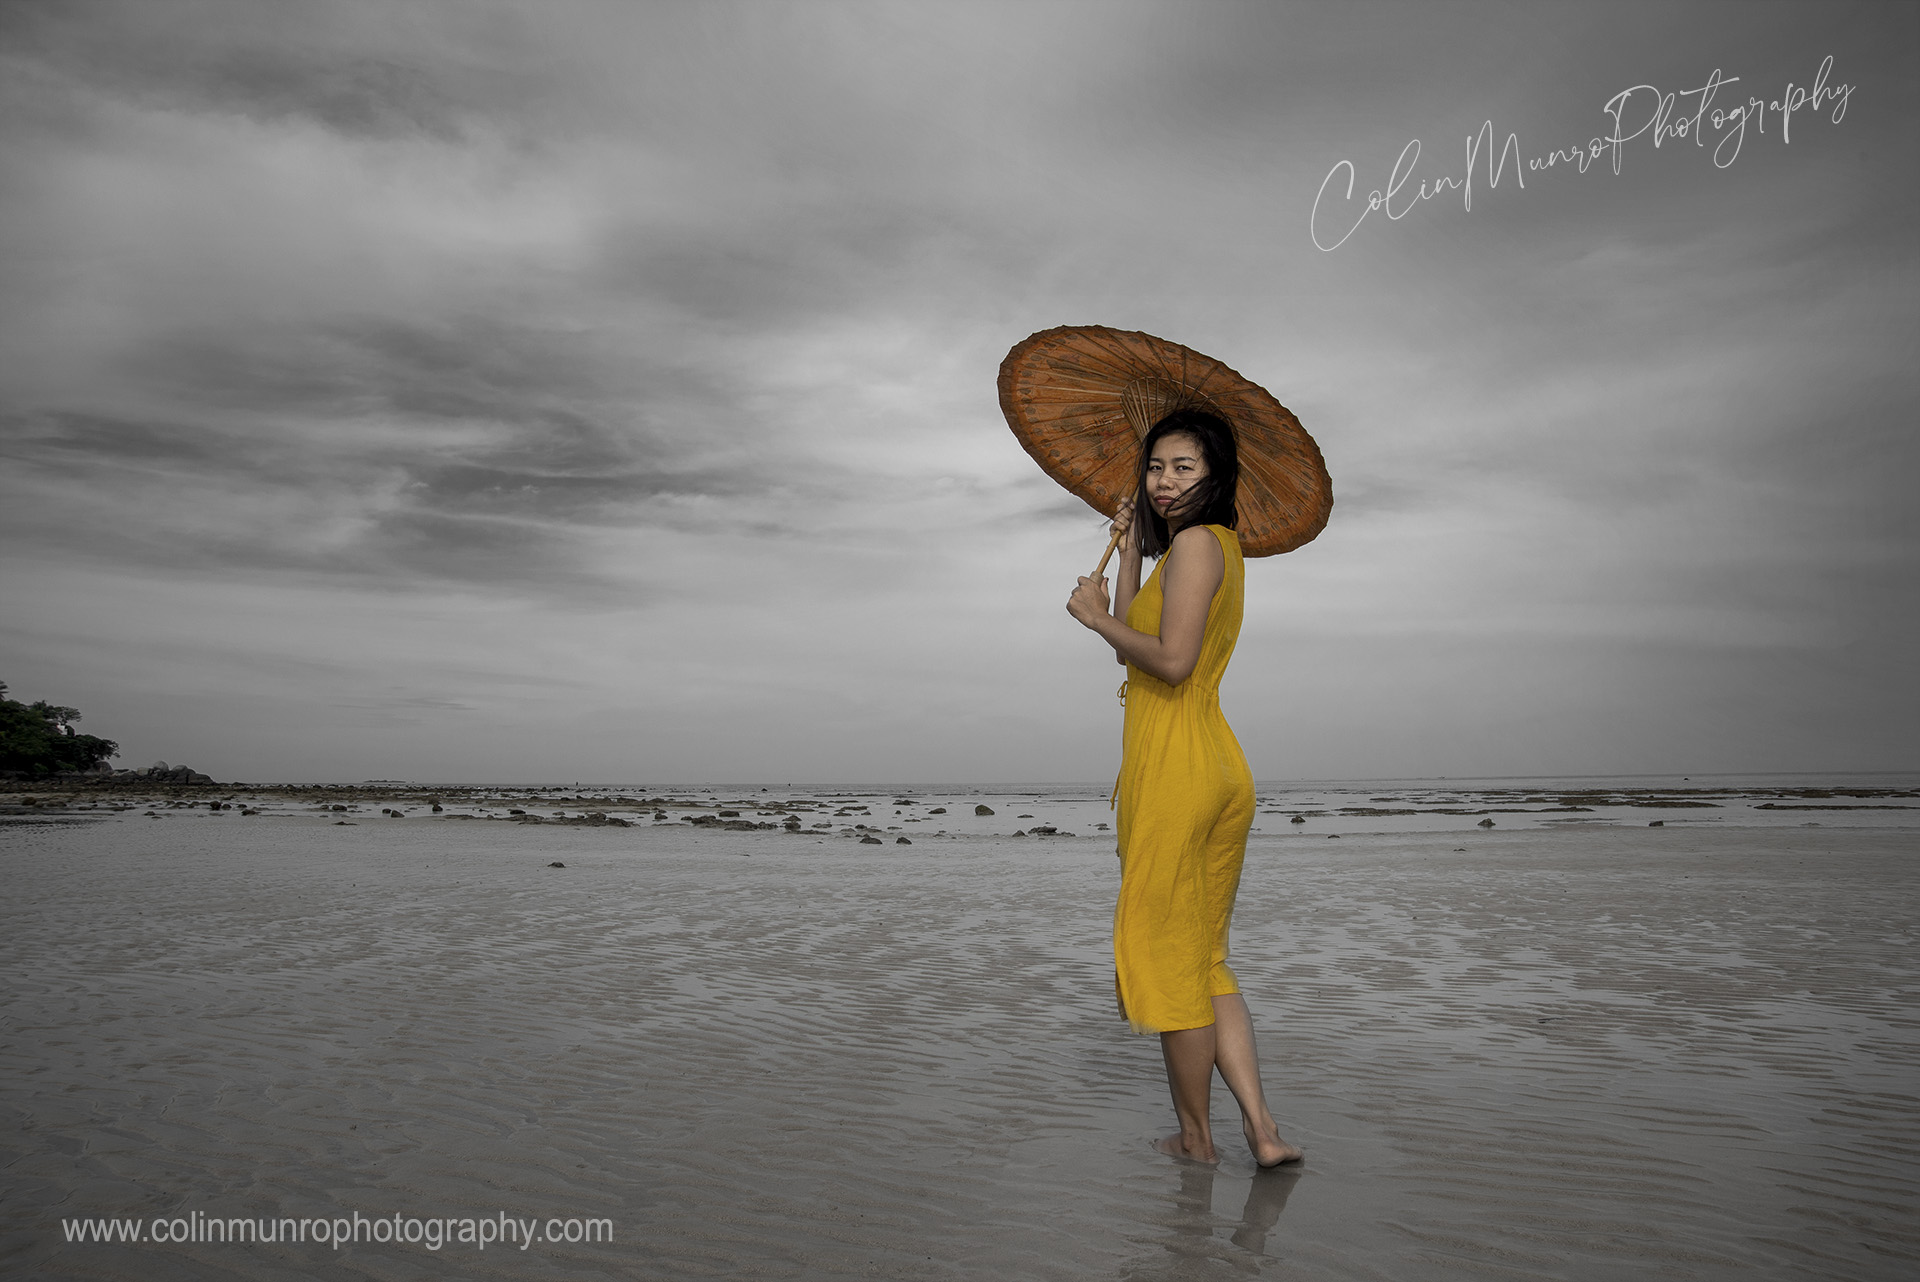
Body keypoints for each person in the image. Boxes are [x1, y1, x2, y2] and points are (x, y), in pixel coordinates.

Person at [1065, 409, 1303, 1168]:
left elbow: (1165, 661)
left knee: (1169, 964)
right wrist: (1131, 545)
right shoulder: (1201, 550)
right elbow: (1145, 641)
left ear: (1216, 475)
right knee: (1204, 963)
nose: (1165, 481)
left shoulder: (1201, 545)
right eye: (1156, 467)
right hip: (1210, 766)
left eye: (1183, 469)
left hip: (1179, 772)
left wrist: (1097, 621)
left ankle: (1197, 1141)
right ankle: (1263, 1134)